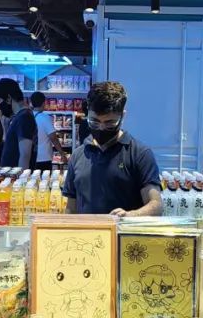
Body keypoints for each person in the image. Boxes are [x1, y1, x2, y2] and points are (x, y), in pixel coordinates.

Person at [62, 80, 163, 217]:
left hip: (124, 230)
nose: (101, 128)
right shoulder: (78, 155)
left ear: (123, 116)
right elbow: (71, 208)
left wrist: (130, 216)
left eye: (109, 123)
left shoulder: (140, 154)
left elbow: (156, 205)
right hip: (87, 231)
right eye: (94, 122)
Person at [0, 78, 36, 169]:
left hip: (15, 176)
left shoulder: (24, 117)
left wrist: (21, 177)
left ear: (8, 98)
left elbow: (25, 155)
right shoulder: (19, 116)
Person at [30, 90, 55, 171]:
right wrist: (62, 154)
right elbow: (53, 138)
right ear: (44, 103)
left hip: (31, 156)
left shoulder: (28, 116)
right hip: (44, 157)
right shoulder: (45, 118)